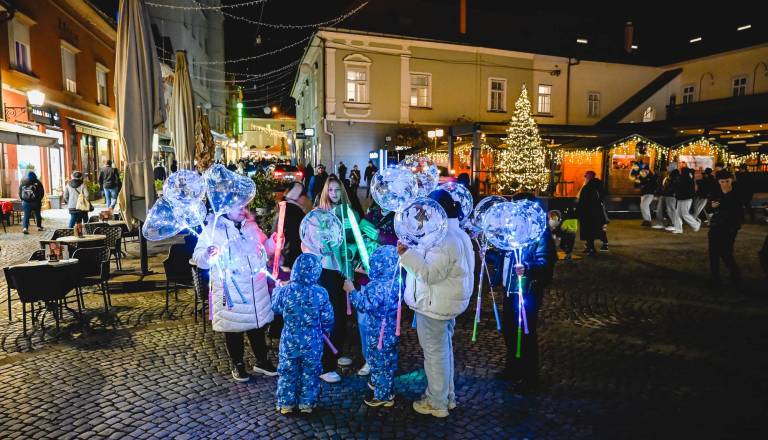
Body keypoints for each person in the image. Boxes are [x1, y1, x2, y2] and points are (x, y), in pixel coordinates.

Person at [399, 189, 474, 418]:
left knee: (435, 354)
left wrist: (406, 254)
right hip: (443, 303)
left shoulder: (443, 238)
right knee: (443, 351)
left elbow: (429, 274)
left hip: (434, 305)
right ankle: (447, 397)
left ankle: (436, 402)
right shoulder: (456, 233)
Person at [192, 205, 278, 382]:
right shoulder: (213, 230)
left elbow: (263, 248)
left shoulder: (251, 226)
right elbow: (198, 258)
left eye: (244, 205)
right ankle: (237, 364)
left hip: (255, 287)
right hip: (232, 288)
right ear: (225, 207)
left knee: (257, 326)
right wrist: (208, 254)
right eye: (237, 205)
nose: (242, 209)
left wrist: (273, 243)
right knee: (234, 328)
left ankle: (262, 361)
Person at [317, 175, 379, 376]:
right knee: (332, 315)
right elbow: (316, 243)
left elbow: (359, 237)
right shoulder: (320, 214)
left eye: (337, 190)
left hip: (347, 271)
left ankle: (336, 354)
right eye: (330, 190)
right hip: (329, 271)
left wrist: (353, 248)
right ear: (326, 192)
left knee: (343, 315)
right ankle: (326, 364)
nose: (334, 193)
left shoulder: (349, 212)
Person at [498, 196, 556, 392]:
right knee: (508, 329)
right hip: (510, 289)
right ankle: (513, 368)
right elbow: (504, 256)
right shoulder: (513, 230)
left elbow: (546, 263)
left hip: (528, 291)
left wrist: (528, 267)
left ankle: (530, 377)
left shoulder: (540, 233)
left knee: (525, 333)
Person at [271, 253, 334, 414]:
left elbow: (275, 307)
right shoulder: (320, 292)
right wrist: (327, 330)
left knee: (288, 372)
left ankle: (286, 404)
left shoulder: (286, 291)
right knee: (310, 372)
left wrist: (277, 290)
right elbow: (328, 317)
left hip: (289, 341)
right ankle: (307, 403)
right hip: (312, 342)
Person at [348, 245, 401, 407]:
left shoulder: (376, 286)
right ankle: (384, 386)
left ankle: (383, 396)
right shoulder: (395, 282)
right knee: (388, 360)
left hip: (378, 332)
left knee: (379, 361)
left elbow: (364, 305)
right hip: (391, 330)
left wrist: (352, 291)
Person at [708, 170, 742, 287]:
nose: (725, 184)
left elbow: (738, 212)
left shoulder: (736, 193)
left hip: (729, 227)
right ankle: (715, 278)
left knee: (726, 252)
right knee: (713, 253)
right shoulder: (716, 192)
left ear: (731, 180)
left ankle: (735, 272)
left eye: (727, 181)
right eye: (722, 182)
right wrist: (711, 206)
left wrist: (735, 227)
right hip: (716, 226)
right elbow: (709, 208)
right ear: (719, 182)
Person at [575, 171, 607, 256]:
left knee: (589, 230)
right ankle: (589, 247)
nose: (585, 177)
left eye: (586, 176)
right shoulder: (595, 185)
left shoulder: (591, 186)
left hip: (589, 212)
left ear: (589, 177)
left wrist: (580, 208)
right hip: (591, 212)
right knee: (589, 230)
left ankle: (591, 248)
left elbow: (585, 200)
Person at [672, 163, 700, 234]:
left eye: (681, 170)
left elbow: (681, 188)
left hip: (686, 198)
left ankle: (696, 224)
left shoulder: (685, 179)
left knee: (684, 214)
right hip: (682, 198)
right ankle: (678, 229)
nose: (680, 171)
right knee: (677, 214)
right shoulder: (687, 178)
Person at [662, 164, 681, 233]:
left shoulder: (674, 175)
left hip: (671, 194)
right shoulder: (672, 174)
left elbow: (673, 185)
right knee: (670, 210)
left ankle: (675, 224)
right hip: (670, 194)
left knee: (671, 210)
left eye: (669, 166)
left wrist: (670, 191)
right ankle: (674, 223)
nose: (667, 168)